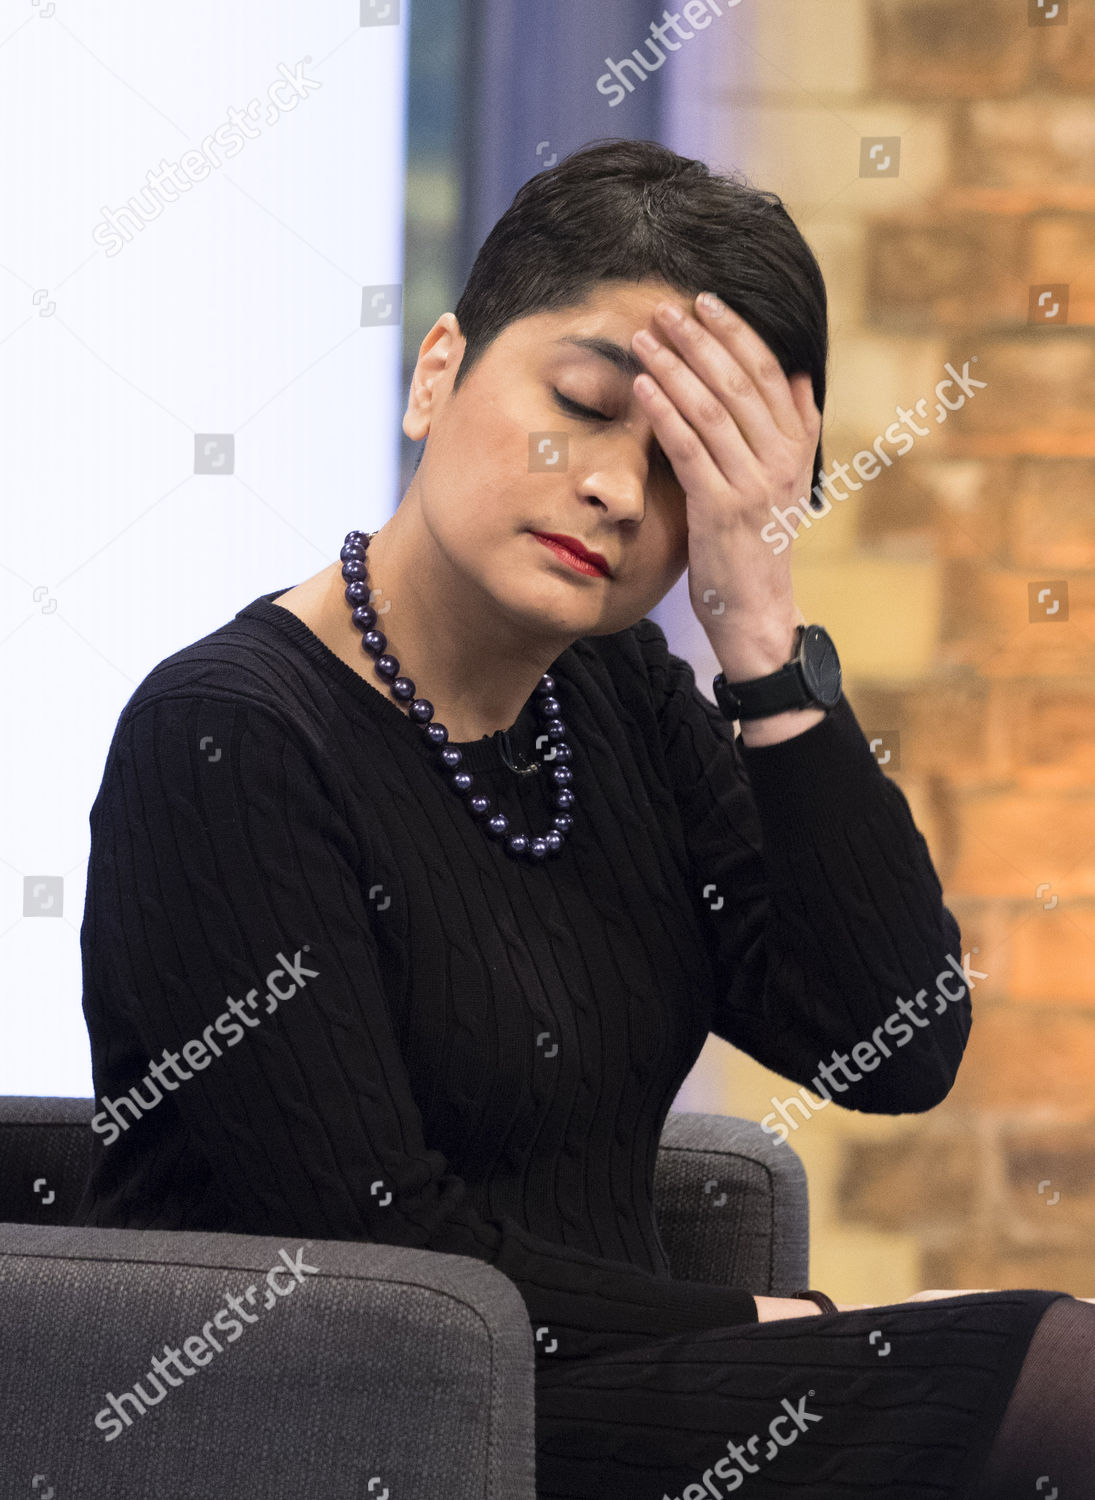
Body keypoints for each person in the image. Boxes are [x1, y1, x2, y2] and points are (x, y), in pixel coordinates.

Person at [77, 138, 1094, 1498]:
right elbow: (374, 1251)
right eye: (583, 404)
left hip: (602, 1397)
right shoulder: (227, 740)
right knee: (1051, 1379)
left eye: (686, 470)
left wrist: (760, 632)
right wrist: (746, 1327)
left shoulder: (613, 696)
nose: (619, 489)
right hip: (338, 1427)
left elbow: (889, 1045)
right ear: (438, 370)